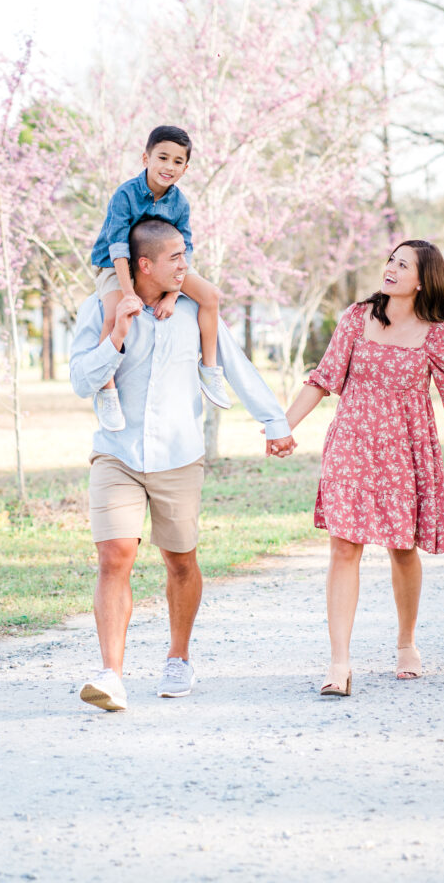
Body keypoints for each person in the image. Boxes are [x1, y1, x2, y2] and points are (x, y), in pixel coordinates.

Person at [284, 239, 444, 697]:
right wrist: (282, 427)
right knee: (344, 548)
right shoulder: (358, 317)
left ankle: (406, 642)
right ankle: (339, 663)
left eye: (403, 265)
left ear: (422, 280)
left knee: (401, 549)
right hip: (352, 444)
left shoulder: (437, 333)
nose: (391, 269)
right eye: (391, 261)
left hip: (403, 451)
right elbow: (322, 378)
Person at [70, 217, 295, 712]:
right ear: (143, 264)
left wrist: (274, 421)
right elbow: (81, 380)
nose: (185, 266)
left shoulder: (194, 311)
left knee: (181, 561)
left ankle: (179, 656)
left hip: (178, 457)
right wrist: (116, 337)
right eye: (176, 258)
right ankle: (111, 675)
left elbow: (233, 364)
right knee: (114, 558)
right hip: (117, 452)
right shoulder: (101, 309)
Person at [90, 125, 230, 432]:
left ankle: (208, 368)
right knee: (114, 315)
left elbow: (187, 249)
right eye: (162, 158)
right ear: (146, 158)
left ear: (186, 168)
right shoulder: (125, 194)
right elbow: (117, 245)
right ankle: (107, 389)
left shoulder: (179, 203)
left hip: (166, 265)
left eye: (177, 161)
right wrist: (129, 292)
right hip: (116, 262)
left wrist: (171, 294)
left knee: (211, 296)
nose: (169, 167)